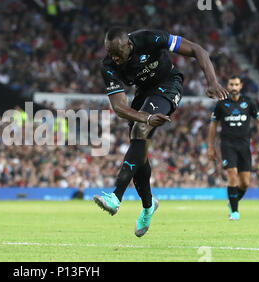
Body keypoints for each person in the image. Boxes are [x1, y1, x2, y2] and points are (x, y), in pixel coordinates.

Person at [93, 27, 228, 237]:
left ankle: (116, 196)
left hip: (168, 84)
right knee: (138, 148)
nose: (114, 58)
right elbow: (119, 108)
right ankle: (148, 206)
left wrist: (212, 82)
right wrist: (146, 116)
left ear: (129, 44)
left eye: (118, 53)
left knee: (140, 130)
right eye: (110, 53)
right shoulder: (108, 66)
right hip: (144, 94)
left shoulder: (150, 38)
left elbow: (197, 50)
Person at [207, 75, 259, 221]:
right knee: (232, 176)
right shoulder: (221, 104)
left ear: (240, 86)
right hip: (227, 145)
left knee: (245, 183)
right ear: (228, 86)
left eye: (236, 85)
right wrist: (211, 147)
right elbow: (213, 125)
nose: (233, 87)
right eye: (231, 84)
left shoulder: (249, 102)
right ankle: (234, 212)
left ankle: (232, 202)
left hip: (244, 145)